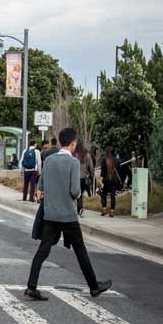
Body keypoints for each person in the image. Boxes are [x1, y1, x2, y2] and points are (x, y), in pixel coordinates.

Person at [24, 128, 112, 301]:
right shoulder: (73, 163)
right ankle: (94, 286)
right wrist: (77, 195)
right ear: (73, 144)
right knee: (80, 251)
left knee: (43, 250)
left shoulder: (48, 160)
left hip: (50, 214)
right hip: (67, 216)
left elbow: (40, 186)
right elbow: (74, 191)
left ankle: (31, 287)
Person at [98, 146, 121, 218]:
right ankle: (112, 212)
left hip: (106, 181)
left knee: (103, 194)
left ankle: (104, 209)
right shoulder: (117, 160)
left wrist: (100, 181)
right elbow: (119, 171)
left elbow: (102, 173)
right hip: (114, 181)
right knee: (112, 196)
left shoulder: (104, 160)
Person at [75, 141, 95, 217]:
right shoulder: (88, 155)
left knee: (78, 194)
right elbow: (91, 168)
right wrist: (92, 177)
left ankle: (80, 209)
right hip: (85, 178)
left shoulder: (76, 156)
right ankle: (79, 209)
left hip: (77, 178)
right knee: (81, 194)